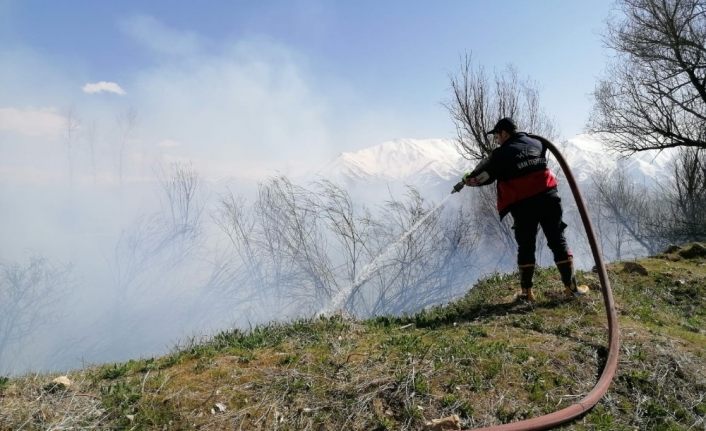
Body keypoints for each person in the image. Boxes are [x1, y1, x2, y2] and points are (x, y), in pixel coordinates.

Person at [459, 117, 588, 302]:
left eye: (497, 135)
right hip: (549, 198)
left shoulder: (500, 154)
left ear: (504, 133)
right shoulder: (537, 142)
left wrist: (467, 179)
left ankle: (527, 294)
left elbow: (482, 177)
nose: (496, 139)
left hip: (524, 204)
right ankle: (571, 288)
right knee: (557, 240)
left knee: (526, 245)